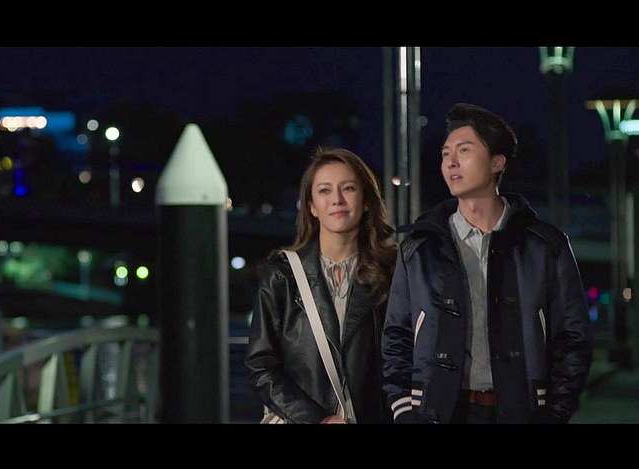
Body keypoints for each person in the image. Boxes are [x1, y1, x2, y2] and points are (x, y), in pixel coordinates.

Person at [381, 102, 593, 424]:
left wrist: (555, 412)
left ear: (497, 162)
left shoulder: (544, 246)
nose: (451, 161)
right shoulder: (420, 249)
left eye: (464, 150)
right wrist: (403, 409)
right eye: (445, 153)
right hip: (437, 412)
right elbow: (396, 336)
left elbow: (574, 338)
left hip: (520, 411)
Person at [245, 146, 397, 424]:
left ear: (366, 200)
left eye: (348, 188)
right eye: (325, 191)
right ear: (312, 206)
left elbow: (402, 358)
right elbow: (261, 365)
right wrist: (317, 419)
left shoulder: (392, 271)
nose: (337, 199)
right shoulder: (283, 275)